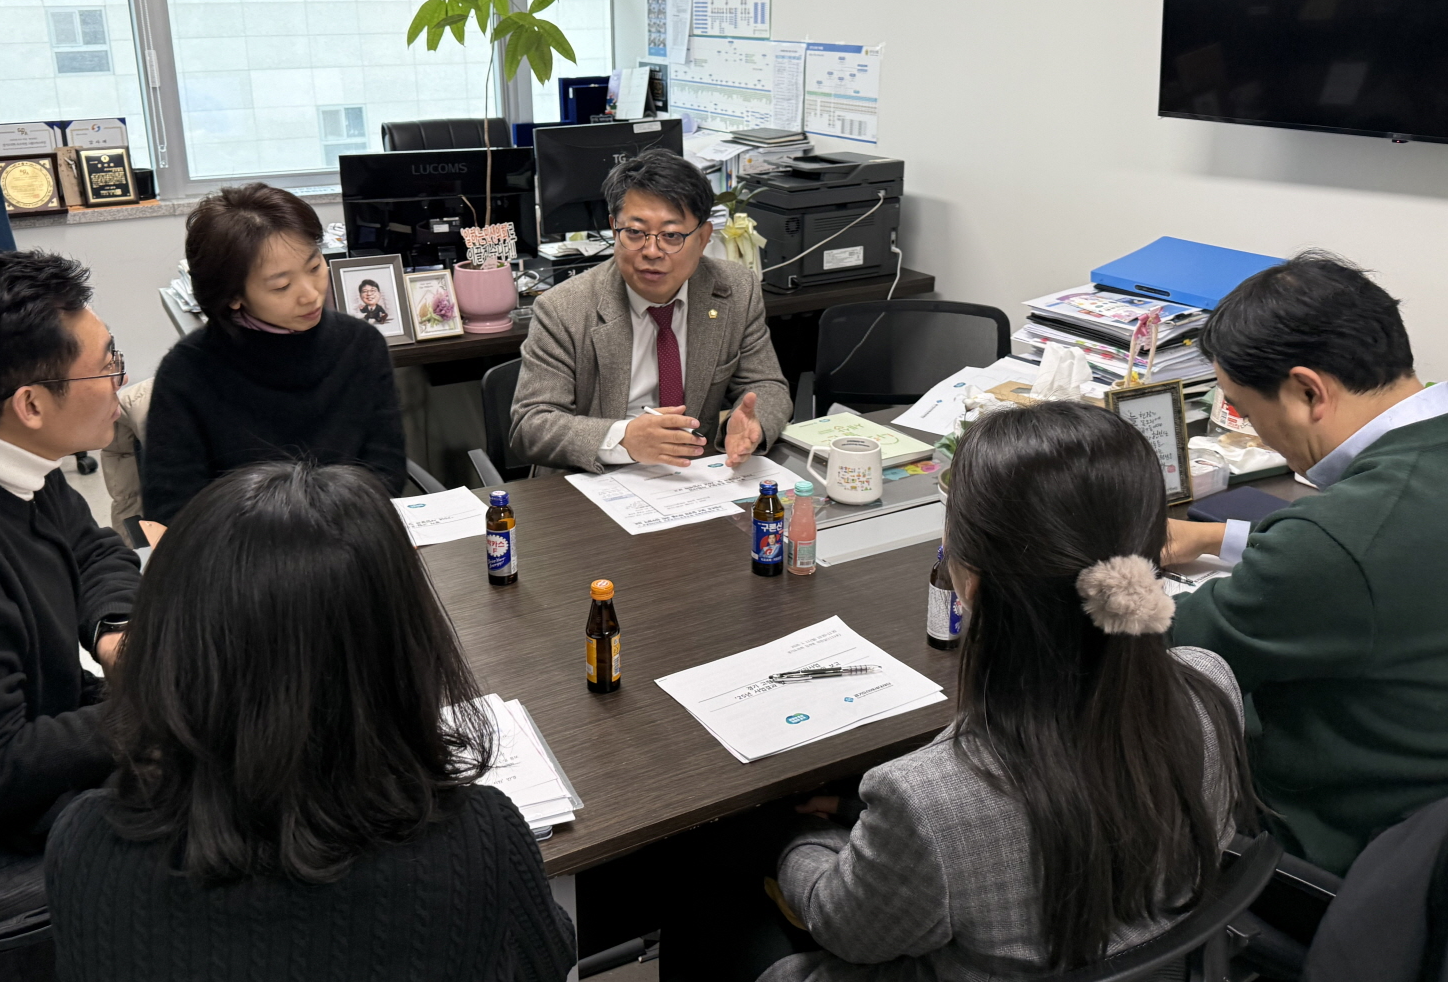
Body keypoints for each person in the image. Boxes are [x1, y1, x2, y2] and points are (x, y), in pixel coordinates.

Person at [750, 401, 1255, 981]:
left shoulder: (930, 798)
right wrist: (858, 816)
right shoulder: (1212, 687)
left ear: (968, 579)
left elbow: (848, 929)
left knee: (708, 897)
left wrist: (799, 840)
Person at [46, 462, 576, 981]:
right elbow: (546, 956)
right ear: (400, 651)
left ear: (174, 644)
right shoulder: (480, 842)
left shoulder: (84, 844)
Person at [1164, 250, 1448, 874]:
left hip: (1349, 860)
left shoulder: (1337, 546)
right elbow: (1375, 561)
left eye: (1242, 407)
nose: (1255, 432)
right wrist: (1214, 539)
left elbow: (1171, 646)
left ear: (1307, 391)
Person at [0, 250, 139, 857]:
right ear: (31, 405)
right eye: (106, 366)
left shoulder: (6, 455)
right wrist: (157, 711)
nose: (120, 379)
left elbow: (94, 551)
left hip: (48, 730)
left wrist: (116, 630)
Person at [509, 149, 791, 472]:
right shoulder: (563, 309)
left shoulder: (735, 290)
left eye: (671, 236)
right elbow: (530, 426)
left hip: (691, 480)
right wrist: (623, 437)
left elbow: (768, 387)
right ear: (614, 228)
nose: (652, 251)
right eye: (635, 233)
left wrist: (743, 429)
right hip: (594, 483)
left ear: (702, 238)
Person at [141, 183, 405, 528]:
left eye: (315, 267)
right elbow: (174, 509)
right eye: (281, 286)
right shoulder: (188, 372)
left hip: (351, 544)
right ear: (233, 295)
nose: (311, 295)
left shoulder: (361, 345)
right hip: (243, 560)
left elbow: (386, 472)